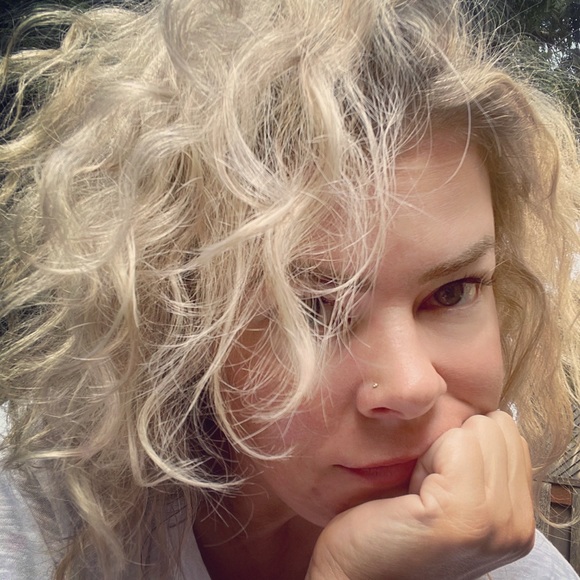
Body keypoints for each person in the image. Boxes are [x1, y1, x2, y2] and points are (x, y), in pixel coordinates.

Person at [0, 0, 579, 578]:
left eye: (453, 292)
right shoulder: (33, 515)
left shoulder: (514, 567)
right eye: (311, 308)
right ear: (175, 315)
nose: (411, 386)